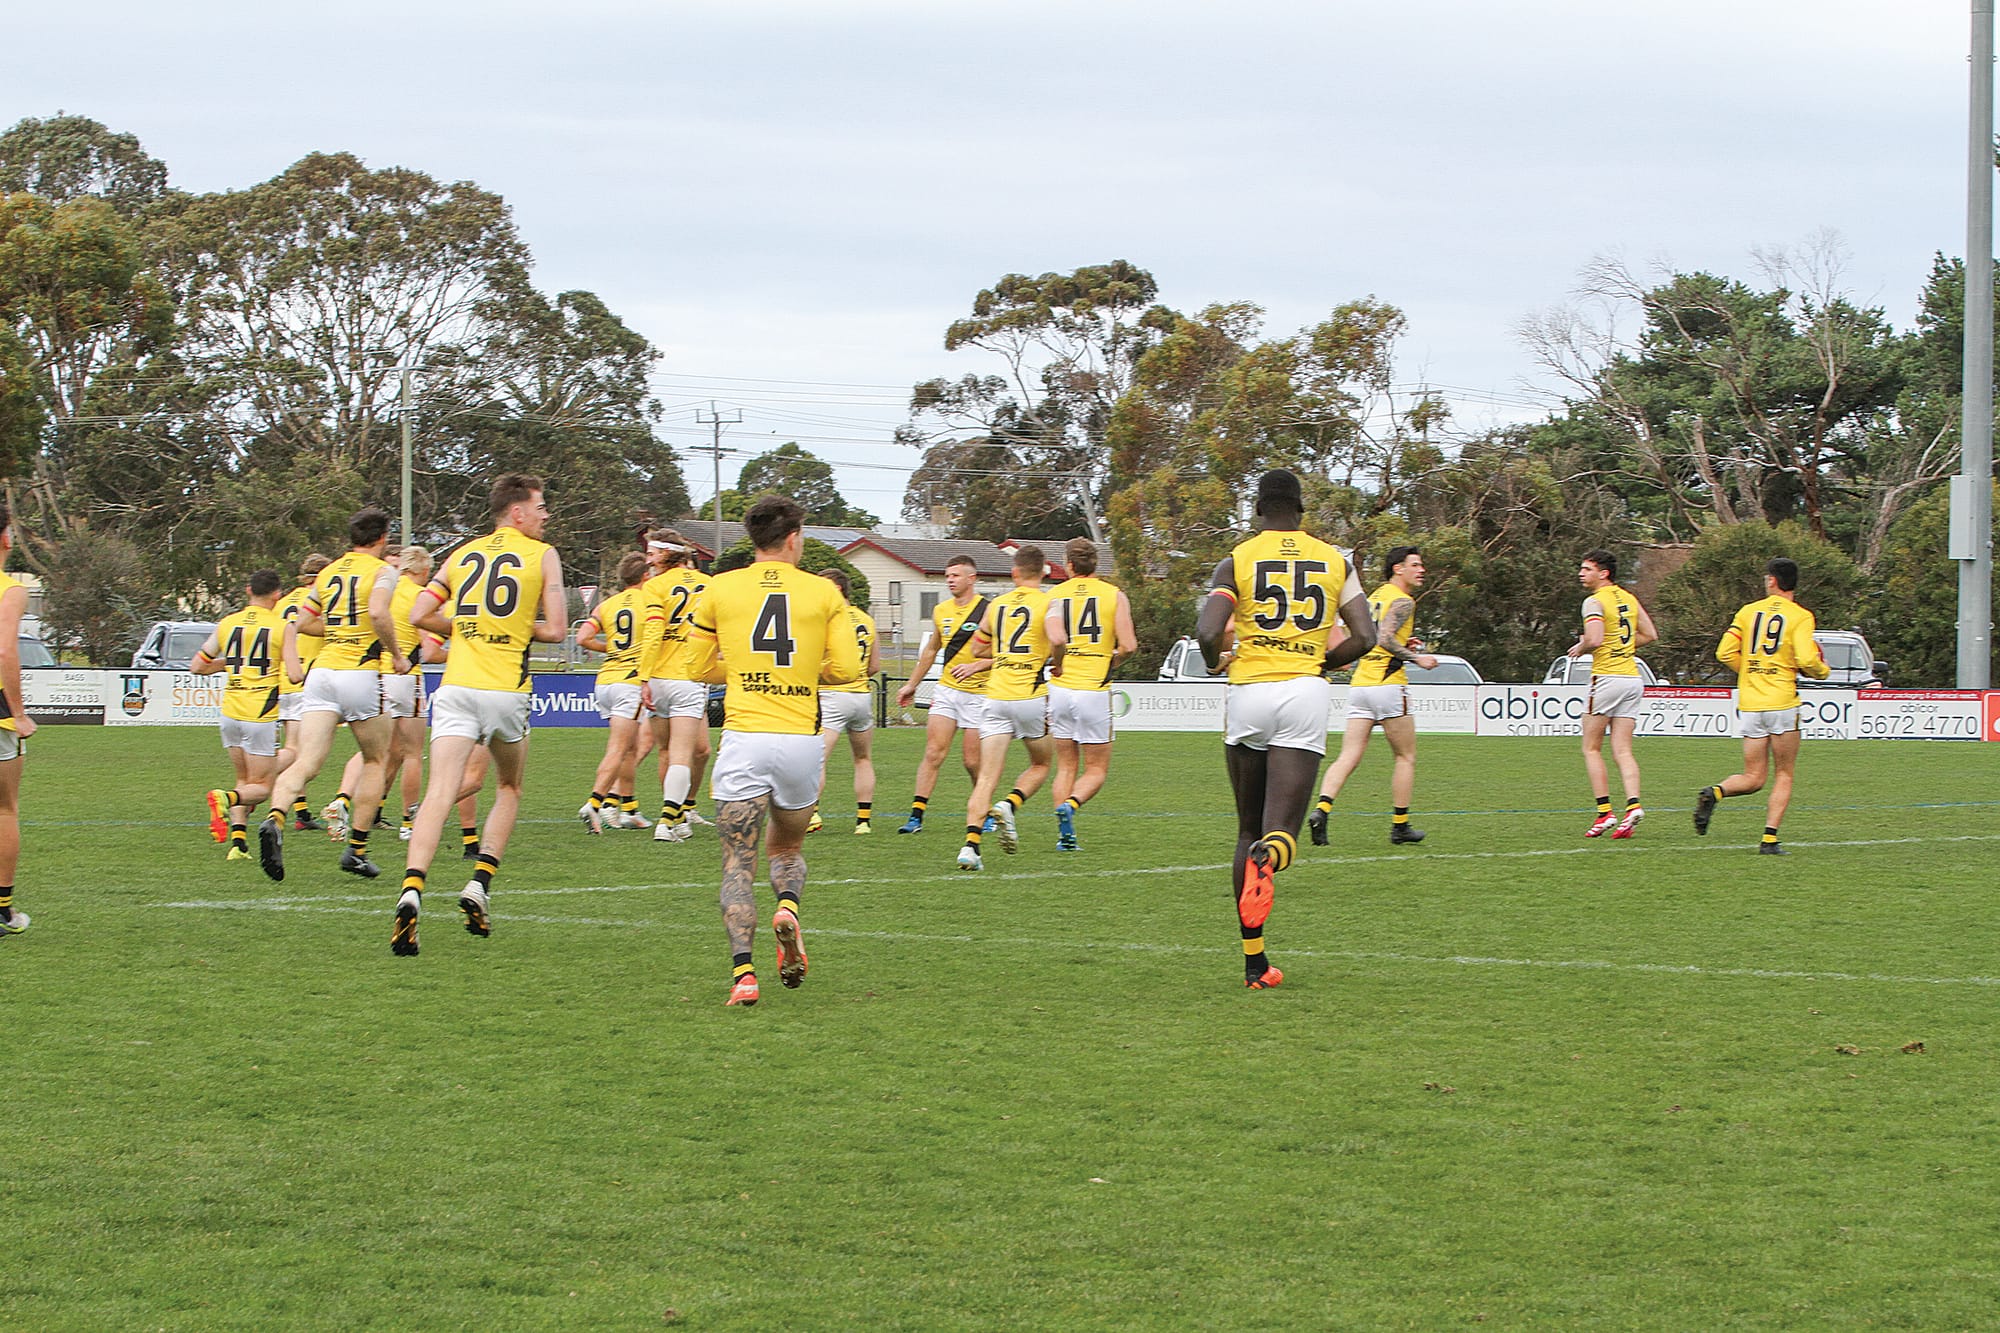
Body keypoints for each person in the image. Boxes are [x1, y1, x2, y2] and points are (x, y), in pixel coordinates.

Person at [1195, 469, 1375, 989]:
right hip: (1303, 692)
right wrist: (1322, 662)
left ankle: (1255, 965)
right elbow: (1365, 637)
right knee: (1279, 834)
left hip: (1249, 692)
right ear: (1301, 510)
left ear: (1258, 510)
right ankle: (1270, 857)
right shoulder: (1335, 560)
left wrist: (1216, 659)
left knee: (1246, 827)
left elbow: (1208, 629)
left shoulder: (1238, 558)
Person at [684, 494, 862, 1005]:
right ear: (792, 538)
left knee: (737, 863)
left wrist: (742, 669)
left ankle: (744, 975)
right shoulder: (825, 593)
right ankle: (788, 906)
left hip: (745, 738)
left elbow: (697, 667)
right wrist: (803, 671)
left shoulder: (719, 588)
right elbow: (848, 669)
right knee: (786, 850)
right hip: (801, 741)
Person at [391, 474, 565, 954]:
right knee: (508, 786)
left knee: (439, 790)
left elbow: (419, 614)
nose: (546, 515)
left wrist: (467, 625)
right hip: (505, 690)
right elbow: (555, 630)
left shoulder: (462, 554)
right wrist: (507, 626)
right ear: (518, 513)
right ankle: (479, 884)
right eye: (541, 506)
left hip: (456, 687)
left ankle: (411, 890)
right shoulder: (542, 555)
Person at [259, 510, 407, 882]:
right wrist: (398, 654)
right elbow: (377, 612)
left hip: (321, 674)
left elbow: (305, 622)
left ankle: (275, 817)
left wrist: (340, 625)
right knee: (376, 759)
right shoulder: (381, 571)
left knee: (306, 761)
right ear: (382, 537)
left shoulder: (328, 572)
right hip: (359, 672)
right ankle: (356, 850)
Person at [1694, 556, 1830, 855]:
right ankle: (1769, 840)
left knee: (1754, 777)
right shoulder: (1801, 616)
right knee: (1784, 773)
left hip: (1752, 703)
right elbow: (1808, 660)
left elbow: (1725, 652)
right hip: (1782, 702)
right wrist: (1823, 671)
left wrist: (1750, 671)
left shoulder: (1748, 612)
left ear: (1772, 581)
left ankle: (1715, 792)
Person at [1308, 546, 1438, 848]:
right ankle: (1400, 825)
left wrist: (1404, 642)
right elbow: (1385, 639)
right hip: (1388, 684)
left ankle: (1322, 809)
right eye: (1415, 565)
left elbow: (1372, 634)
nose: (1422, 570)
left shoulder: (1375, 596)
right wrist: (1417, 658)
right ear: (1397, 569)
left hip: (1361, 684)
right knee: (1405, 756)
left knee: (1349, 755)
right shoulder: (1403, 600)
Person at [330, 545, 442, 842]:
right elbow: (429, 651)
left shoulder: (385, 589)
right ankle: (409, 821)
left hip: (375, 675)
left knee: (373, 752)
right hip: (405, 676)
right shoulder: (420, 597)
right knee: (413, 753)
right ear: (423, 570)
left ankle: (342, 798)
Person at [957, 546, 1054, 870]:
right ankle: (1010, 804)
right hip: (1029, 695)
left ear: (1014, 573)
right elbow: (1059, 639)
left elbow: (977, 647)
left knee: (986, 776)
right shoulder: (1047, 602)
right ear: (1043, 573)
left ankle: (970, 847)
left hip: (996, 696)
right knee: (1040, 764)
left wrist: (1001, 654)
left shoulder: (996, 605)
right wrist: (1058, 664)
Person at [1042, 537, 1136, 852]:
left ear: (1068, 565)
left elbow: (1053, 640)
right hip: (1093, 689)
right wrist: (1113, 660)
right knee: (1095, 769)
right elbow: (1129, 646)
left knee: (1065, 765)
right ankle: (1071, 805)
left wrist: (1058, 664)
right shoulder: (1114, 595)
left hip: (1061, 687)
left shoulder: (1053, 595)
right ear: (1095, 565)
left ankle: (1064, 837)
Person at [191, 569, 286, 861]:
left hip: (230, 711)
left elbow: (198, 666)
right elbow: (294, 672)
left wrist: (231, 664)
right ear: (277, 595)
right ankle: (224, 798)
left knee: (243, 778)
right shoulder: (281, 626)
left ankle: (238, 844)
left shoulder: (228, 623)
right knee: (262, 788)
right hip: (260, 712)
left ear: (248, 590)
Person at [893, 555, 991, 833]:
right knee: (934, 752)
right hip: (947, 691)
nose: (950, 580)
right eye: (947, 575)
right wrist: (911, 684)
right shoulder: (941, 610)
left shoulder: (989, 611)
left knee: (971, 760)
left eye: (956, 575)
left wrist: (978, 665)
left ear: (971, 578)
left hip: (979, 694)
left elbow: (1004, 653)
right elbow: (932, 649)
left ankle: (984, 808)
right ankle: (916, 817)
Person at [1568, 550, 1657, 839]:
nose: (1581, 573)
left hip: (1606, 678)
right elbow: (1650, 634)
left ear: (1603, 573)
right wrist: (1622, 649)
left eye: (1587, 569)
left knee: (1591, 747)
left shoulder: (1593, 601)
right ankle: (1633, 805)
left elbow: (1594, 639)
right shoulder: (1628, 598)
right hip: (1632, 678)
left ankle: (1605, 812)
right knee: (1623, 749)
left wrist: (1581, 647)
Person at [638, 528, 712, 843]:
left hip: (659, 678)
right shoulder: (710, 585)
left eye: (652, 552)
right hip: (689, 676)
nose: (648, 558)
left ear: (667, 553)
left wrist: (644, 678)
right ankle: (669, 822)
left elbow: (654, 633)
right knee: (682, 754)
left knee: (668, 751)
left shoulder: (654, 586)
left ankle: (679, 817)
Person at [577, 552, 653, 833]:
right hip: (629, 682)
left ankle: (630, 810)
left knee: (630, 749)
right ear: (645, 576)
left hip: (605, 681)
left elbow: (583, 638)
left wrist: (610, 649)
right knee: (619, 749)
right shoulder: (650, 602)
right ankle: (595, 804)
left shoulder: (607, 605)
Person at [809, 567, 879, 834]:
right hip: (861, 697)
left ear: (836, 589)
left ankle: (812, 814)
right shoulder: (866, 619)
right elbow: (874, 666)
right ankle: (863, 821)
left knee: (816, 759)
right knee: (862, 759)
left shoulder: (827, 619)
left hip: (831, 695)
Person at [272, 554, 331, 832]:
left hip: (282, 681)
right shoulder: (323, 601)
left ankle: (302, 813)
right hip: (306, 681)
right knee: (299, 752)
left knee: (299, 751)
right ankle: (256, 784)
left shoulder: (282, 602)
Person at [0, 504, 36, 937]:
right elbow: (6, 651)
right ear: (7, 538)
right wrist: (19, 712)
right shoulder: (11, 590)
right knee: (4, 808)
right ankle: (3, 908)